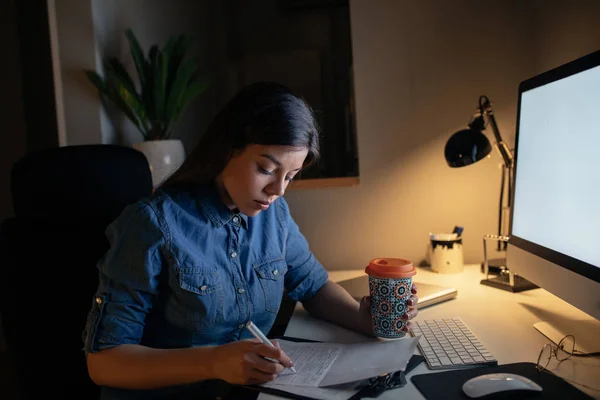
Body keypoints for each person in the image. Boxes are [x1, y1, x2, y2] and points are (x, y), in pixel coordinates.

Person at [82, 81, 419, 399]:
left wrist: (364, 319)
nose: (278, 190)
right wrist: (214, 362)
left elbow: (314, 287)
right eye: (266, 169)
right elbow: (105, 362)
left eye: (291, 176)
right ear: (227, 150)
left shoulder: (275, 215)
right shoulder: (152, 223)